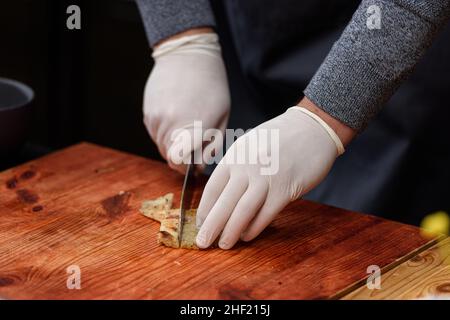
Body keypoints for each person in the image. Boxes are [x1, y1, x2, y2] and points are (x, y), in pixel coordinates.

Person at [136, 0, 450, 249]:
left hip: (393, 54)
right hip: (246, 34)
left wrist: (325, 118)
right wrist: (181, 38)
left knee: (363, 245)